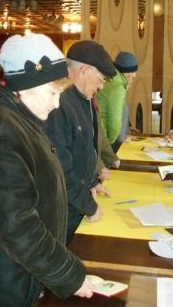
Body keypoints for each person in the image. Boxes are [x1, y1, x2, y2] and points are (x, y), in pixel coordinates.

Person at [0, 33, 93, 306]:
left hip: (16, 273)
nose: (57, 104)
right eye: (52, 93)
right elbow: (17, 225)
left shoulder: (18, 117)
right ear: (23, 87)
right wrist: (67, 273)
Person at [44, 40, 117, 242]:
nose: (101, 87)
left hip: (75, 199)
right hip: (62, 206)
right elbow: (59, 166)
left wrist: (92, 182)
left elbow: (85, 148)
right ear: (84, 70)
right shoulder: (58, 102)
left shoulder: (83, 98)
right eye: (100, 79)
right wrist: (88, 205)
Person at [97, 51, 139, 151]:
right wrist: (111, 145)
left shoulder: (112, 81)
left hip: (100, 137)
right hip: (107, 142)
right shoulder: (117, 87)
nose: (134, 75)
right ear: (126, 72)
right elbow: (114, 124)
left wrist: (126, 129)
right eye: (133, 72)